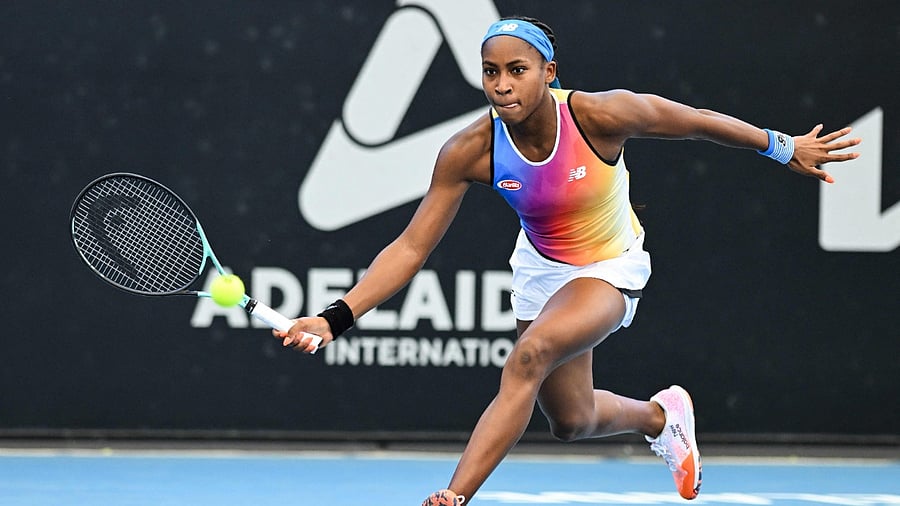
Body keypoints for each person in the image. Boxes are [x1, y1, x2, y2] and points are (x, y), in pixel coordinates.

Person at [276, 16, 861, 505]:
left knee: (527, 358)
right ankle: (661, 419)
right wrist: (335, 317)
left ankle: (453, 497)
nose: (502, 85)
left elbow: (694, 123)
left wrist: (780, 146)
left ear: (548, 73)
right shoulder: (468, 151)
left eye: (517, 70)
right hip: (541, 270)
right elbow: (411, 247)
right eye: (491, 72)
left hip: (609, 266)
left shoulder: (600, 116)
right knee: (572, 420)